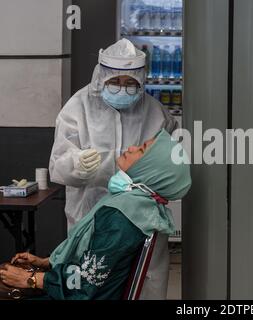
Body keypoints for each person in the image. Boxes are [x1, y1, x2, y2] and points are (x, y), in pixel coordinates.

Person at [49, 38, 178, 299]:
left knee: (143, 282)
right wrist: (77, 165)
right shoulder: (77, 108)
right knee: (89, 282)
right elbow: (58, 165)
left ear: (142, 80)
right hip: (91, 216)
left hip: (139, 218)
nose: (123, 89)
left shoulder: (156, 113)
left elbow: (171, 167)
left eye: (131, 84)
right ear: (101, 77)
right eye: (115, 82)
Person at [0, 129, 191, 300]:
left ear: (150, 170)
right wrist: (48, 262)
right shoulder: (138, 208)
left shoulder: (122, 217)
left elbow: (86, 285)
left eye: (141, 150)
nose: (131, 148)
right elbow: (95, 263)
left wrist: (31, 279)